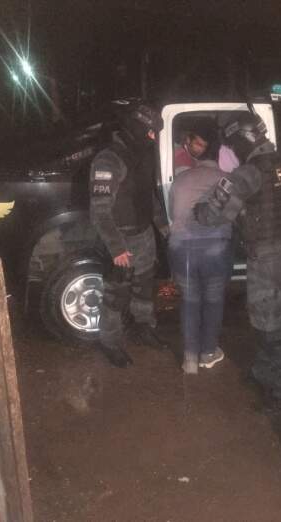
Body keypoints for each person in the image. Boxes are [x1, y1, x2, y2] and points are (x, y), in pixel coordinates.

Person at [195, 111, 281, 410]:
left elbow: (213, 215)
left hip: (269, 259)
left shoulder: (249, 173)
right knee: (270, 319)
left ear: (243, 138)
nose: (232, 150)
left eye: (232, 144)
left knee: (271, 328)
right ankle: (263, 372)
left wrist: (197, 210)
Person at [89, 100, 169, 368]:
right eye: (150, 132)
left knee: (144, 288)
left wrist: (164, 228)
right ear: (136, 128)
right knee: (116, 295)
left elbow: (148, 197)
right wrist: (116, 248)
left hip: (144, 234)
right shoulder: (109, 159)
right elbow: (99, 211)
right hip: (121, 239)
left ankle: (144, 328)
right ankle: (110, 342)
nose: (153, 138)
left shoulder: (142, 154)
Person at [168, 140, 231, 374]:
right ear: (218, 159)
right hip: (215, 249)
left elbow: (171, 211)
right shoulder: (227, 180)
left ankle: (190, 359)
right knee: (213, 300)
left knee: (189, 300)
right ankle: (208, 353)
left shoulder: (181, 180)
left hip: (182, 249)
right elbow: (235, 214)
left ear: (198, 157)